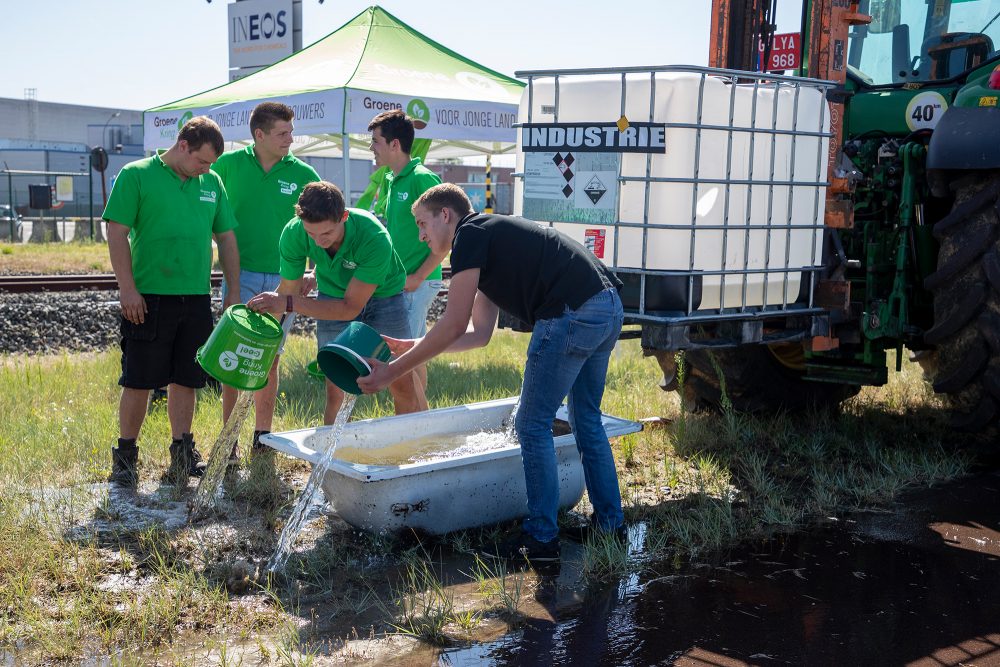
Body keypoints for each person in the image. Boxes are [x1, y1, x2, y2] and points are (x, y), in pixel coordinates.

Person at [357, 183, 626, 562]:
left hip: (572, 311)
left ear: (445, 215)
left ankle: (541, 539)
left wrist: (391, 373)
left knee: (531, 425)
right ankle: (611, 526)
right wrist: (412, 347)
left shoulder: (469, 235)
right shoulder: (487, 237)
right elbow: (478, 334)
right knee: (585, 419)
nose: (420, 235)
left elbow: (451, 325)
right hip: (607, 305)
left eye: (422, 223)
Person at [104, 116, 240, 487]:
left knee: (187, 378)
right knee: (139, 379)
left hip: (195, 297)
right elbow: (116, 232)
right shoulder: (136, 174)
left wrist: (232, 290)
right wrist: (127, 288)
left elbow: (226, 238)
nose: (206, 169)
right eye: (202, 160)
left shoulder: (211, 183)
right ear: (183, 146)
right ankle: (126, 457)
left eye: (211, 164)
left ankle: (182, 451)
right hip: (147, 298)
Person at [247, 181, 421, 424]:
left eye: (326, 233)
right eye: (311, 234)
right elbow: (288, 289)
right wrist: (262, 338)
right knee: (336, 388)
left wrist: (288, 302)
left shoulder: (374, 237)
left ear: (344, 216)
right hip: (332, 296)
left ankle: (408, 451)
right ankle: (332, 459)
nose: (318, 241)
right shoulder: (294, 233)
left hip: (385, 297)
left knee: (400, 381)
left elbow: (349, 308)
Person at [212, 101, 320, 458]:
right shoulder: (225, 166)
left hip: (284, 280)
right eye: (283, 133)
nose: (291, 139)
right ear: (258, 135)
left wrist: (313, 271)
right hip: (237, 274)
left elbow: (322, 225)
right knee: (233, 355)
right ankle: (229, 441)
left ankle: (262, 437)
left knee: (269, 357)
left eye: (291, 131)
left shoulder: (305, 173)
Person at [368, 109, 445, 410]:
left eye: (375, 141)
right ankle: (417, 424)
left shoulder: (423, 178)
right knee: (413, 355)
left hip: (416, 282)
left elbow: (447, 236)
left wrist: (417, 278)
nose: (371, 148)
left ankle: (420, 428)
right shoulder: (391, 178)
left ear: (394, 144)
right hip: (404, 282)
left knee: (405, 358)